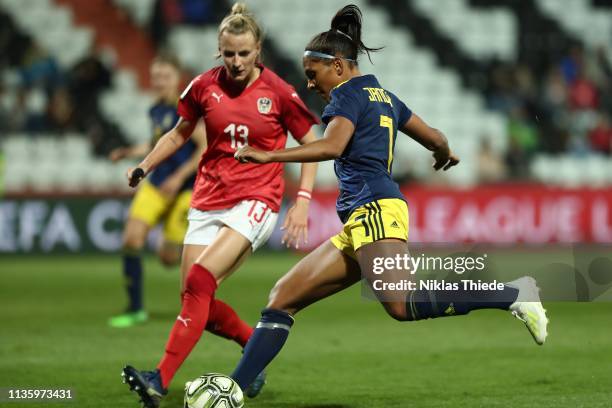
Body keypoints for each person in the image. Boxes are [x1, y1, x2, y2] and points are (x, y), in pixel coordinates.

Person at [230, 4, 549, 392]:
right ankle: (235, 389)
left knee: (402, 305)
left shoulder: (345, 97)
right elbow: (435, 136)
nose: (310, 85)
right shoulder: (385, 97)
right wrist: (444, 153)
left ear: (339, 67)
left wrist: (270, 155)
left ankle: (513, 293)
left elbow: (332, 146)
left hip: (375, 210)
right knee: (283, 296)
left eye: (313, 76)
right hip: (363, 219)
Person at [121, 3, 319, 407]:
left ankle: (159, 379)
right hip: (208, 199)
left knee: (200, 281)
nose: (236, 61)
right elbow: (178, 134)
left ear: (258, 50)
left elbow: (312, 144)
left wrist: (301, 200)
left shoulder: (279, 92)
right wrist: (144, 165)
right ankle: (253, 349)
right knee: (197, 302)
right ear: (219, 49)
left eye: (244, 53)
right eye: (229, 53)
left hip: (256, 200)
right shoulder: (203, 86)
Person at [108, 53, 206, 328]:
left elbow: (204, 147)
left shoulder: (187, 109)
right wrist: (129, 153)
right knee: (131, 239)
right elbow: (156, 144)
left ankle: (199, 294)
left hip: (184, 189)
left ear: (178, 79)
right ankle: (135, 308)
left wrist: (177, 177)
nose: (159, 82)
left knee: (168, 258)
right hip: (155, 184)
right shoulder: (155, 109)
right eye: (156, 76)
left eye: (165, 76)